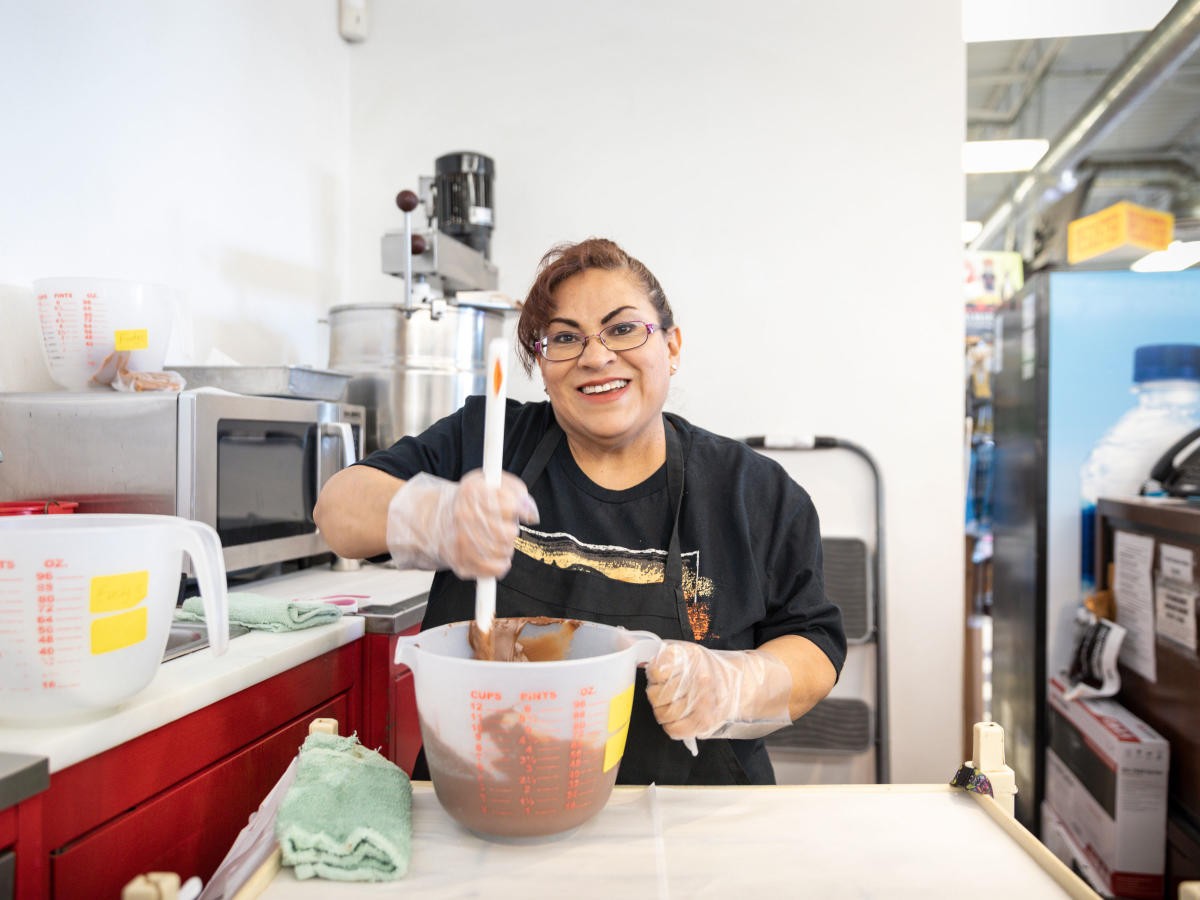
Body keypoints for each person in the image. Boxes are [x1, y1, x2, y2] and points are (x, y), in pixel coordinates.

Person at [314, 237, 845, 785]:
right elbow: (337, 512)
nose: (595, 356)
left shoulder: (752, 491)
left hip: (692, 821)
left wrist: (734, 684)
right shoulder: (488, 440)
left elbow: (816, 644)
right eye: (564, 338)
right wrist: (433, 514)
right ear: (542, 366)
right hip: (486, 799)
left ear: (672, 345)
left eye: (622, 328)